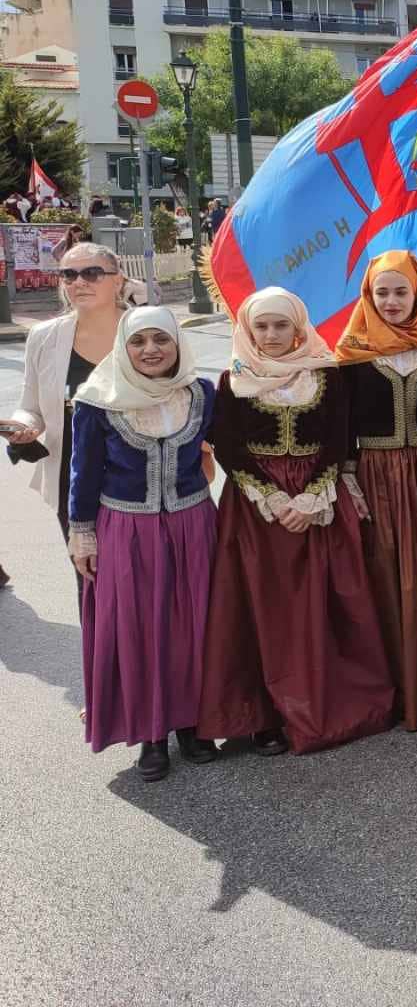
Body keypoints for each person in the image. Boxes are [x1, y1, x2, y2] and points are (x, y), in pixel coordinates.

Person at [198, 289, 394, 755]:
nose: (271, 335)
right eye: (262, 326)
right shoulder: (233, 378)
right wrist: (270, 495)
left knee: (323, 600)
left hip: (317, 497)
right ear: (247, 330)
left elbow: (338, 438)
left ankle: (329, 699)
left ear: (298, 327)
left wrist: (311, 497)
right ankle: (264, 715)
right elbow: (229, 445)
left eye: (281, 325)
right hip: (256, 506)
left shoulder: (327, 374)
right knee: (261, 605)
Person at [68, 307, 219, 781]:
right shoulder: (97, 400)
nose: (151, 349)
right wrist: (82, 533)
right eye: (138, 341)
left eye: (161, 339)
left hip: (194, 522)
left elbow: (234, 444)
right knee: (139, 628)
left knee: (195, 624)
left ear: (177, 344)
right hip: (127, 528)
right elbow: (83, 472)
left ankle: (194, 724)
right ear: (123, 347)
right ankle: (151, 734)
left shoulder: (201, 392)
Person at [336, 251, 417, 732]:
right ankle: (395, 686)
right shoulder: (352, 355)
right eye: (381, 292)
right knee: (387, 574)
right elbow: (342, 423)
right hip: (377, 476)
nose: (391, 301)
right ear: (368, 295)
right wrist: (348, 476)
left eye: (400, 291)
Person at [4, 243, 126, 548]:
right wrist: (22, 426)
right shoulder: (44, 337)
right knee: (86, 567)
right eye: (69, 275)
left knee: (140, 570)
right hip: (73, 476)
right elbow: (31, 406)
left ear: (118, 280)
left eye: (92, 273)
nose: (79, 282)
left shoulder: (145, 330)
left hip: (140, 475)